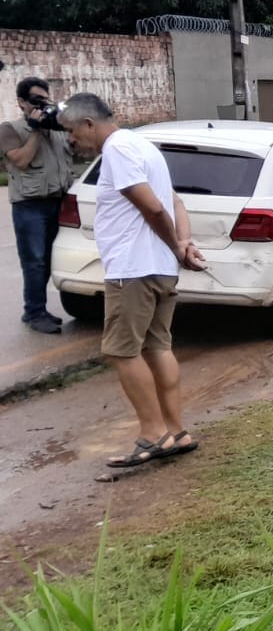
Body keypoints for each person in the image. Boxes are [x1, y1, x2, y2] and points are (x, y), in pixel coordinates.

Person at [59, 93, 208, 467]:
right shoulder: (143, 146)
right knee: (157, 347)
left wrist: (177, 246)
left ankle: (153, 433)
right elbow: (175, 203)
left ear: (89, 124)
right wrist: (182, 245)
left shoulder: (118, 150)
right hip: (157, 268)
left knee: (120, 351)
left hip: (134, 269)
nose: (71, 140)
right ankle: (175, 432)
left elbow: (154, 207)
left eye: (71, 131)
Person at [0, 78, 78, 333]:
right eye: (35, 100)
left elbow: (78, 154)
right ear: (21, 102)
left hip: (59, 200)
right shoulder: (10, 129)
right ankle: (35, 313)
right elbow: (20, 161)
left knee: (49, 259)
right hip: (29, 206)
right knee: (34, 262)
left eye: (44, 99)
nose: (41, 104)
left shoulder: (56, 128)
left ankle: (36, 309)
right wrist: (36, 130)